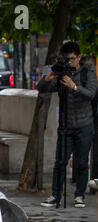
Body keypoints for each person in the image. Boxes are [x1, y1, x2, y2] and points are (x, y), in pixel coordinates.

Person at [39, 41, 97, 208]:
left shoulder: (88, 73)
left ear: (78, 57)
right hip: (65, 126)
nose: (68, 62)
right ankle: (55, 195)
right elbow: (42, 89)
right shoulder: (61, 74)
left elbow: (91, 94)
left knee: (81, 161)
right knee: (60, 162)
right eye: (65, 59)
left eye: (71, 59)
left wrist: (74, 86)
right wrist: (48, 78)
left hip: (85, 125)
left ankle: (80, 195)